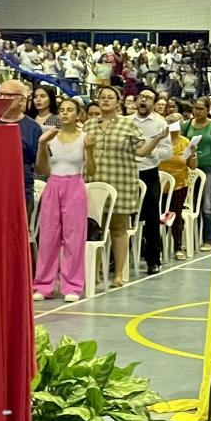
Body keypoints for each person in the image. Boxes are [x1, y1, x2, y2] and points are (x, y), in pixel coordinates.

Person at [85, 86, 142, 288]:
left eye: (110, 97)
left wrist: (157, 141)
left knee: (118, 228)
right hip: (94, 181)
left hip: (121, 181)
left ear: (118, 102)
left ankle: (118, 274)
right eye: (102, 97)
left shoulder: (129, 125)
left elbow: (141, 150)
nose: (106, 100)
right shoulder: (89, 125)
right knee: (95, 230)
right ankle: (96, 273)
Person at [33, 96, 89, 301]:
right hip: (53, 184)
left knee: (74, 239)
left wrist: (90, 150)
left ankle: (72, 286)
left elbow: (91, 169)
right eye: (62, 110)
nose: (65, 113)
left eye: (70, 110)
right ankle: (43, 285)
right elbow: (41, 169)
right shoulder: (50, 136)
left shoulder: (85, 137)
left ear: (78, 115)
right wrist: (41, 145)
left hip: (75, 184)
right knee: (48, 237)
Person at [128, 89, 169, 277]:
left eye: (148, 98)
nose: (144, 100)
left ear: (153, 103)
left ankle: (153, 260)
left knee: (152, 216)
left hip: (149, 172)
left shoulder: (160, 123)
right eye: (141, 97)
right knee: (123, 214)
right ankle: (119, 258)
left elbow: (167, 152)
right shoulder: (126, 121)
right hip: (127, 171)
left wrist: (150, 150)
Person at [181, 97, 211, 247]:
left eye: (201, 109)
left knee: (207, 204)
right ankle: (195, 235)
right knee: (193, 204)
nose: (197, 111)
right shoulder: (186, 125)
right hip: (192, 166)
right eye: (195, 108)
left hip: (210, 166)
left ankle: (209, 238)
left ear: (207, 110)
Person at [0, 78, 40, 223]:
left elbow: (41, 167)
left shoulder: (32, 128)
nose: (2, 99)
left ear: (22, 100)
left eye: (8, 95)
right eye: (0, 94)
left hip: (20, 191)